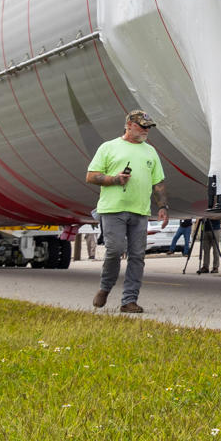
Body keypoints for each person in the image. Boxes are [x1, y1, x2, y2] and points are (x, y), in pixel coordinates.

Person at [85, 110, 167, 314]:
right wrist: (114, 179)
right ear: (129, 124)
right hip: (112, 209)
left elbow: (158, 182)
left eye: (148, 127)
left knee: (137, 256)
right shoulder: (109, 147)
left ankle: (129, 300)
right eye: (142, 126)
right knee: (114, 250)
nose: (146, 130)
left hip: (140, 211)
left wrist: (163, 207)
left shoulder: (151, 152)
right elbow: (91, 176)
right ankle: (105, 287)